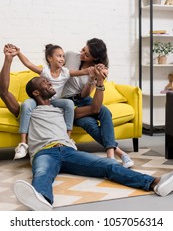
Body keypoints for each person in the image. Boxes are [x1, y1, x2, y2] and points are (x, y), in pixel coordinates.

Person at [1, 45, 173, 211]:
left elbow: (94, 108)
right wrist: (8, 59)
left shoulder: (63, 109)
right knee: (42, 173)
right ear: (36, 93)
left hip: (69, 151)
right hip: (44, 152)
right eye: (45, 82)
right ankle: (42, 200)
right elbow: (4, 92)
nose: (50, 82)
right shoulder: (26, 109)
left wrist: (99, 83)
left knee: (108, 165)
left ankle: (155, 183)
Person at [10, 44, 93, 160]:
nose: (62, 59)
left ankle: (68, 139)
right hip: (39, 100)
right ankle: (23, 143)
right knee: (27, 104)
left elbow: (82, 72)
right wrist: (18, 53)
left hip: (54, 102)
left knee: (69, 104)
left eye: (63, 56)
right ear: (50, 58)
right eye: (59, 56)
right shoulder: (45, 72)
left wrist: (92, 70)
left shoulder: (65, 72)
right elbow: (28, 64)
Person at [62, 38, 134, 168]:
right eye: (84, 49)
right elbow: (57, 73)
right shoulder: (70, 56)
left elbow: (84, 94)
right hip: (67, 102)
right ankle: (120, 153)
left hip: (83, 100)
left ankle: (110, 158)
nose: (82, 54)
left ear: (94, 59)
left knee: (101, 114)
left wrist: (94, 78)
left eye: (87, 54)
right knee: (93, 117)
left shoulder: (95, 69)